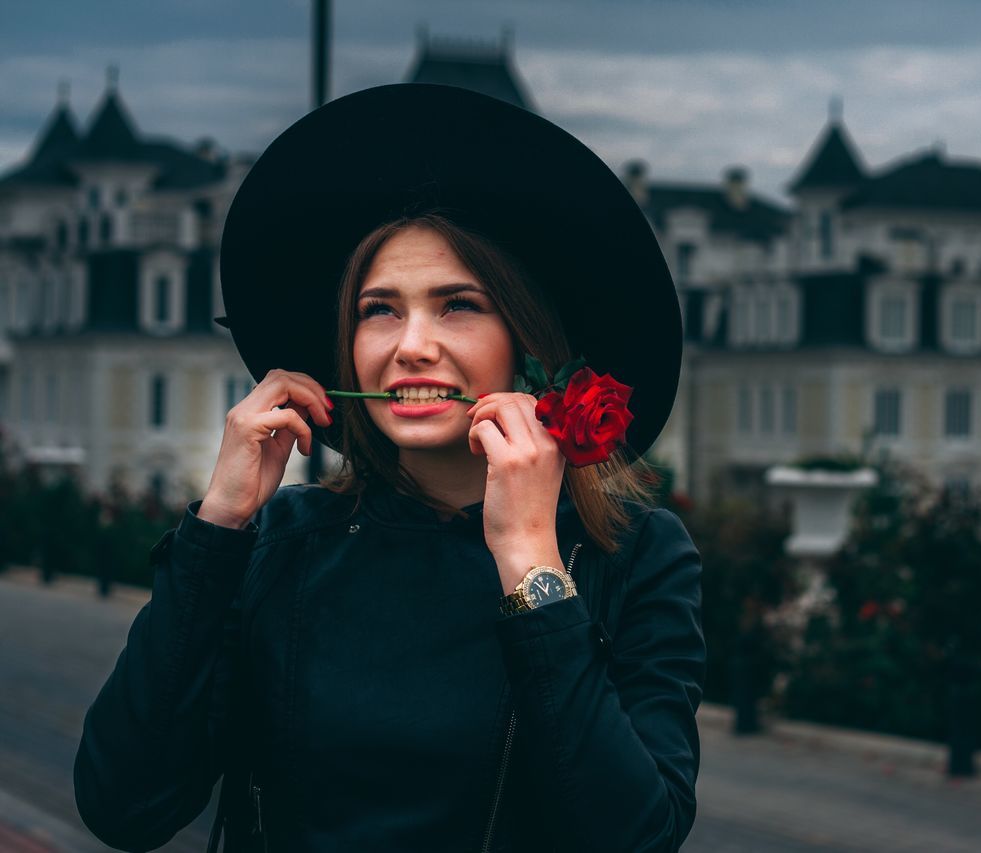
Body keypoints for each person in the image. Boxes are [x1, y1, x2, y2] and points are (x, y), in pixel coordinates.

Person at [73, 84, 704, 852]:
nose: (410, 344)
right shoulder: (282, 542)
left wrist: (532, 562)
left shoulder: (637, 554)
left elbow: (637, 837)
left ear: (529, 341)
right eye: (380, 309)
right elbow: (122, 804)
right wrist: (218, 526)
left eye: (457, 305)